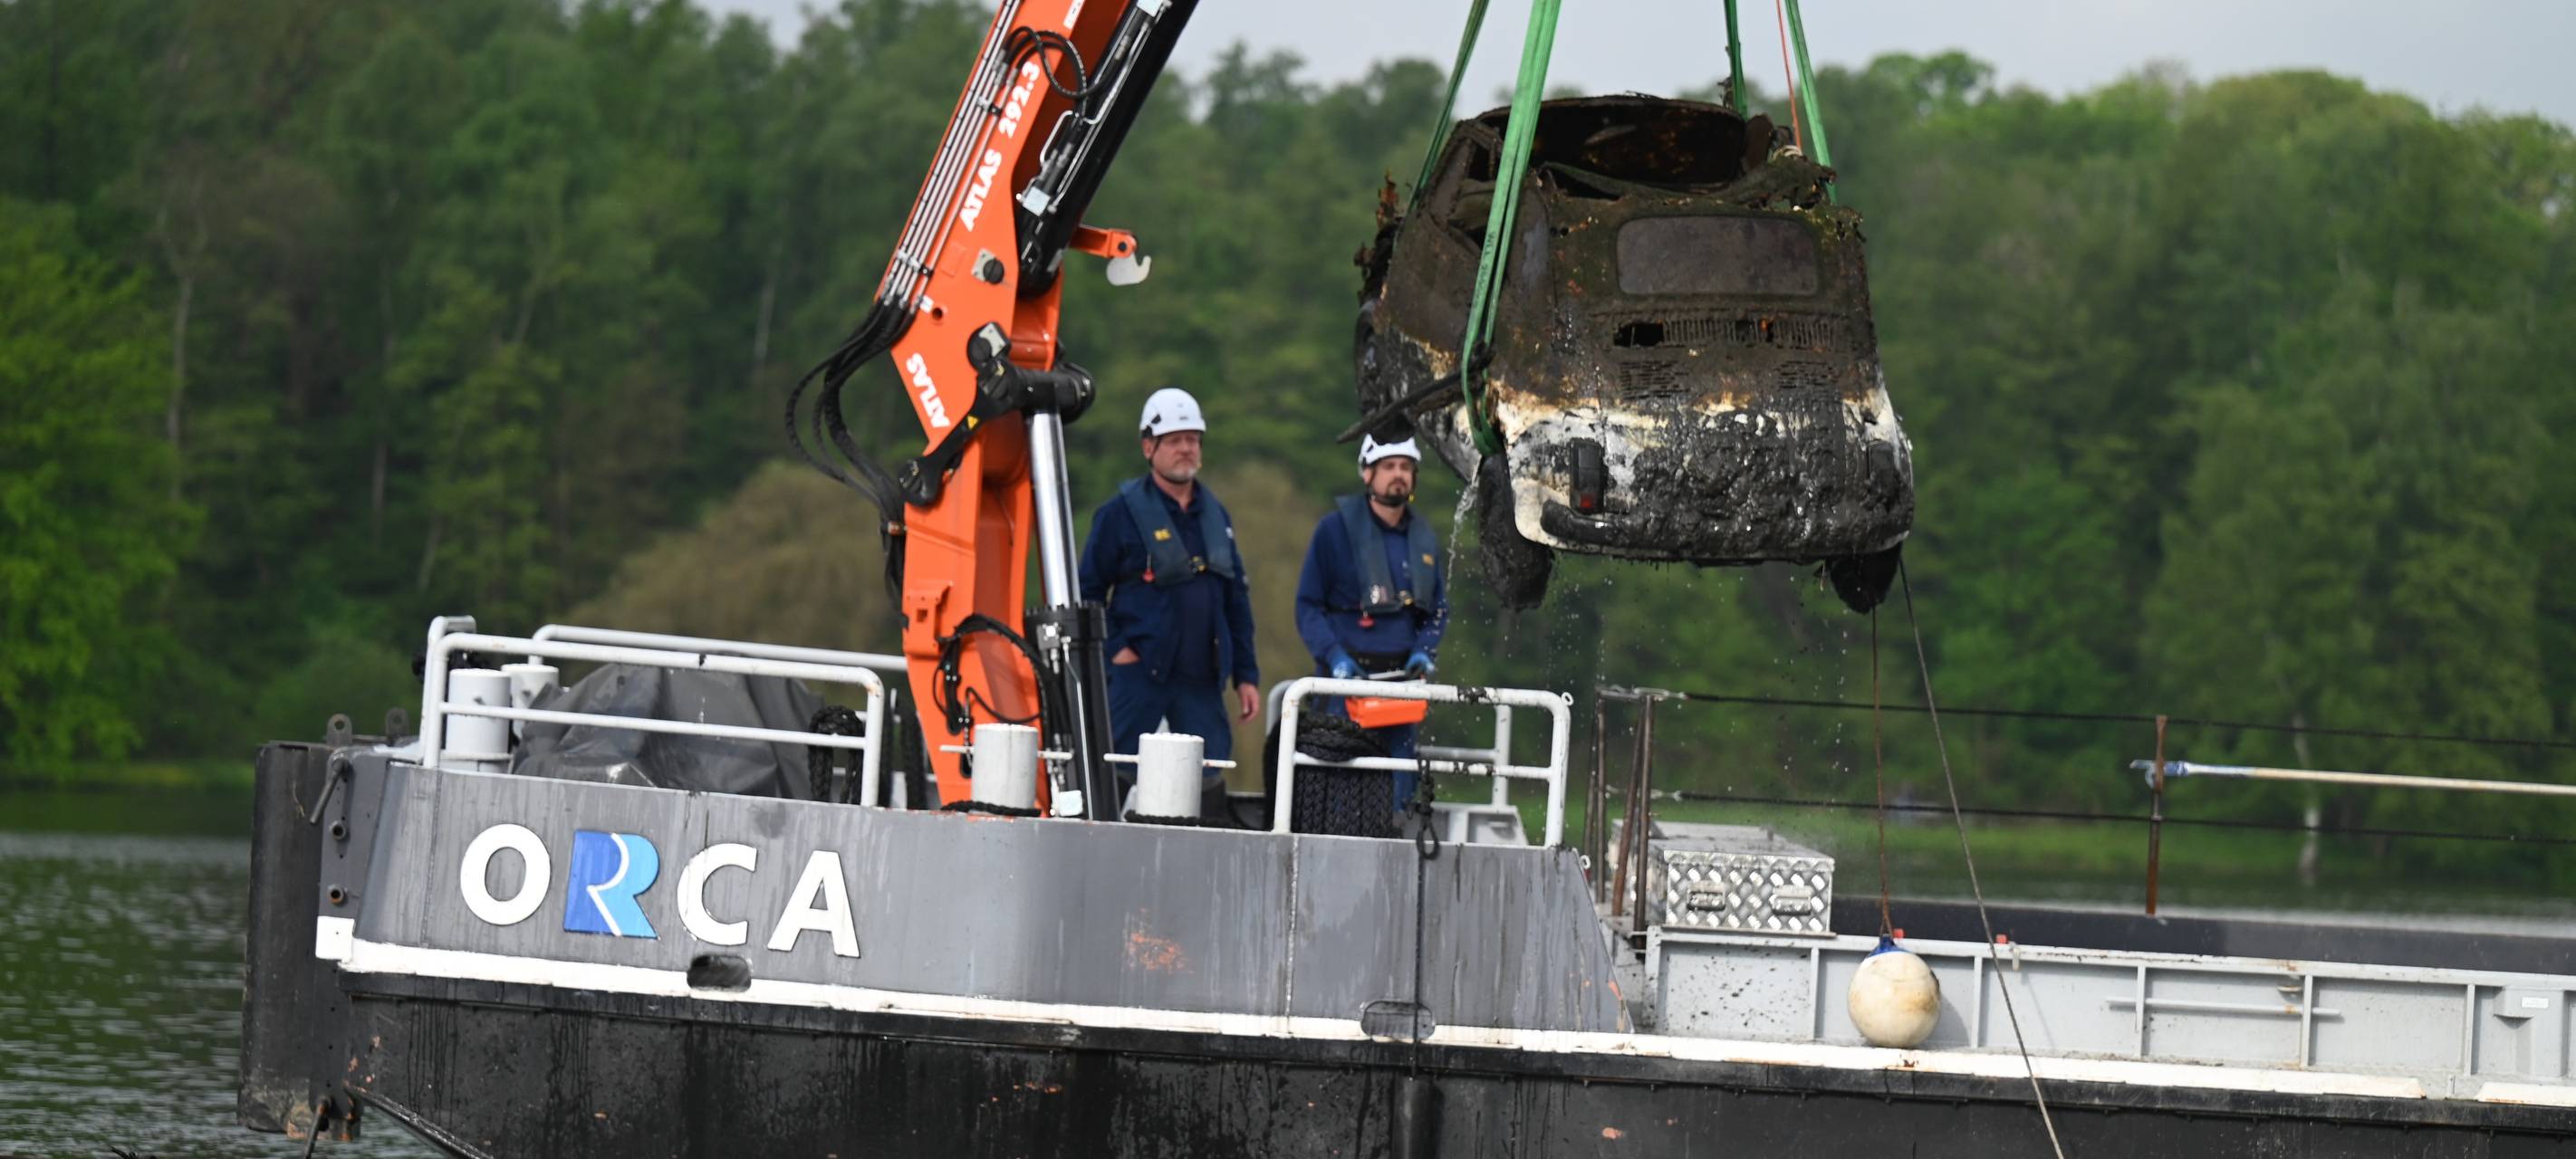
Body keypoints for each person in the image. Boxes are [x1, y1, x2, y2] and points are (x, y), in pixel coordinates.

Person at [1076, 388, 1261, 806]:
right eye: (1175, 440)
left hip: (1200, 679)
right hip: (1137, 675)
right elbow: (1086, 591)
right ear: (1149, 447)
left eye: (1193, 439)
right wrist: (1117, 648)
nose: (1186, 449)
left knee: (1209, 782)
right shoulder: (1117, 514)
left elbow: (1236, 601)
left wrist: (1246, 675)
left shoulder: (1216, 515)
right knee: (1109, 779)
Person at [1293, 435, 1447, 781]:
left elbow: (1437, 610)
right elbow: (1307, 606)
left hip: (1401, 691)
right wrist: (1334, 657)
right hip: (1343, 689)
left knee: (1397, 790)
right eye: (1389, 466)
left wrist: (1424, 650)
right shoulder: (1333, 532)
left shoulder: (1423, 537)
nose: (1399, 474)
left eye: (1406, 467)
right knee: (1336, 788)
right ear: (1367, 473)